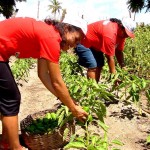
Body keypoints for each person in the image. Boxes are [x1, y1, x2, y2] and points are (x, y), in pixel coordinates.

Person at [0, 16, 88, 150]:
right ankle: (15, 147)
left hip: (2, 55)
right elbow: (57, 82)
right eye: (76, 39)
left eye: (78, 43)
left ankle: (6, 141)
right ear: (67, 28)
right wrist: (73, 108)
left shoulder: (49, 34)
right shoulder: (52, 38)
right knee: (11, 99)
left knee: (9, 98)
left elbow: (43, 74)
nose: (75, 45)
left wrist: (67, 101)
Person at [75, 17, 136, 82]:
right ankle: (91, 90)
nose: (126, 36)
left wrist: (123, 67)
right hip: (83, 40)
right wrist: (114, 77)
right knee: (93, 66)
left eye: (128, 35)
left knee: (100, 65)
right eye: (125, 33)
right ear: (121, 26)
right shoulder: (110, 32)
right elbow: (109, 57)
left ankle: (96, 88)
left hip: (95, 46)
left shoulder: (122, 35)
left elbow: (119, 51)